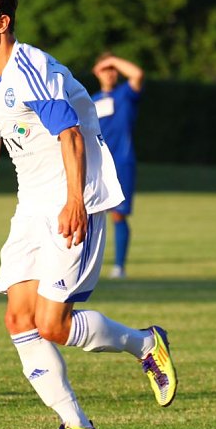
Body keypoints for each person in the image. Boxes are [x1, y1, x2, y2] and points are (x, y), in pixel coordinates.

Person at [0, 0, 177, 429]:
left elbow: (69, 136)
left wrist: (75, 201)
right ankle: (77, 425)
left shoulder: (32, 68)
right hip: (30, 204)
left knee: (52, 323)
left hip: (77, 197)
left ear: (2, 23)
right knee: (18, 318)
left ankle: (145, 344)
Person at [91, 51, 144, 278]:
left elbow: (137, 74)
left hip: (122, 162)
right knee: (89, 213)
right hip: (97, 164)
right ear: (96, 73)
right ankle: (88, 265)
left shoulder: (125, 94)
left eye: (112, 68)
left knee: (118, 215)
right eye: (105, 68)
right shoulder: (90, 100)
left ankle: (119, 267)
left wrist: (112, 60)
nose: (110, 72)